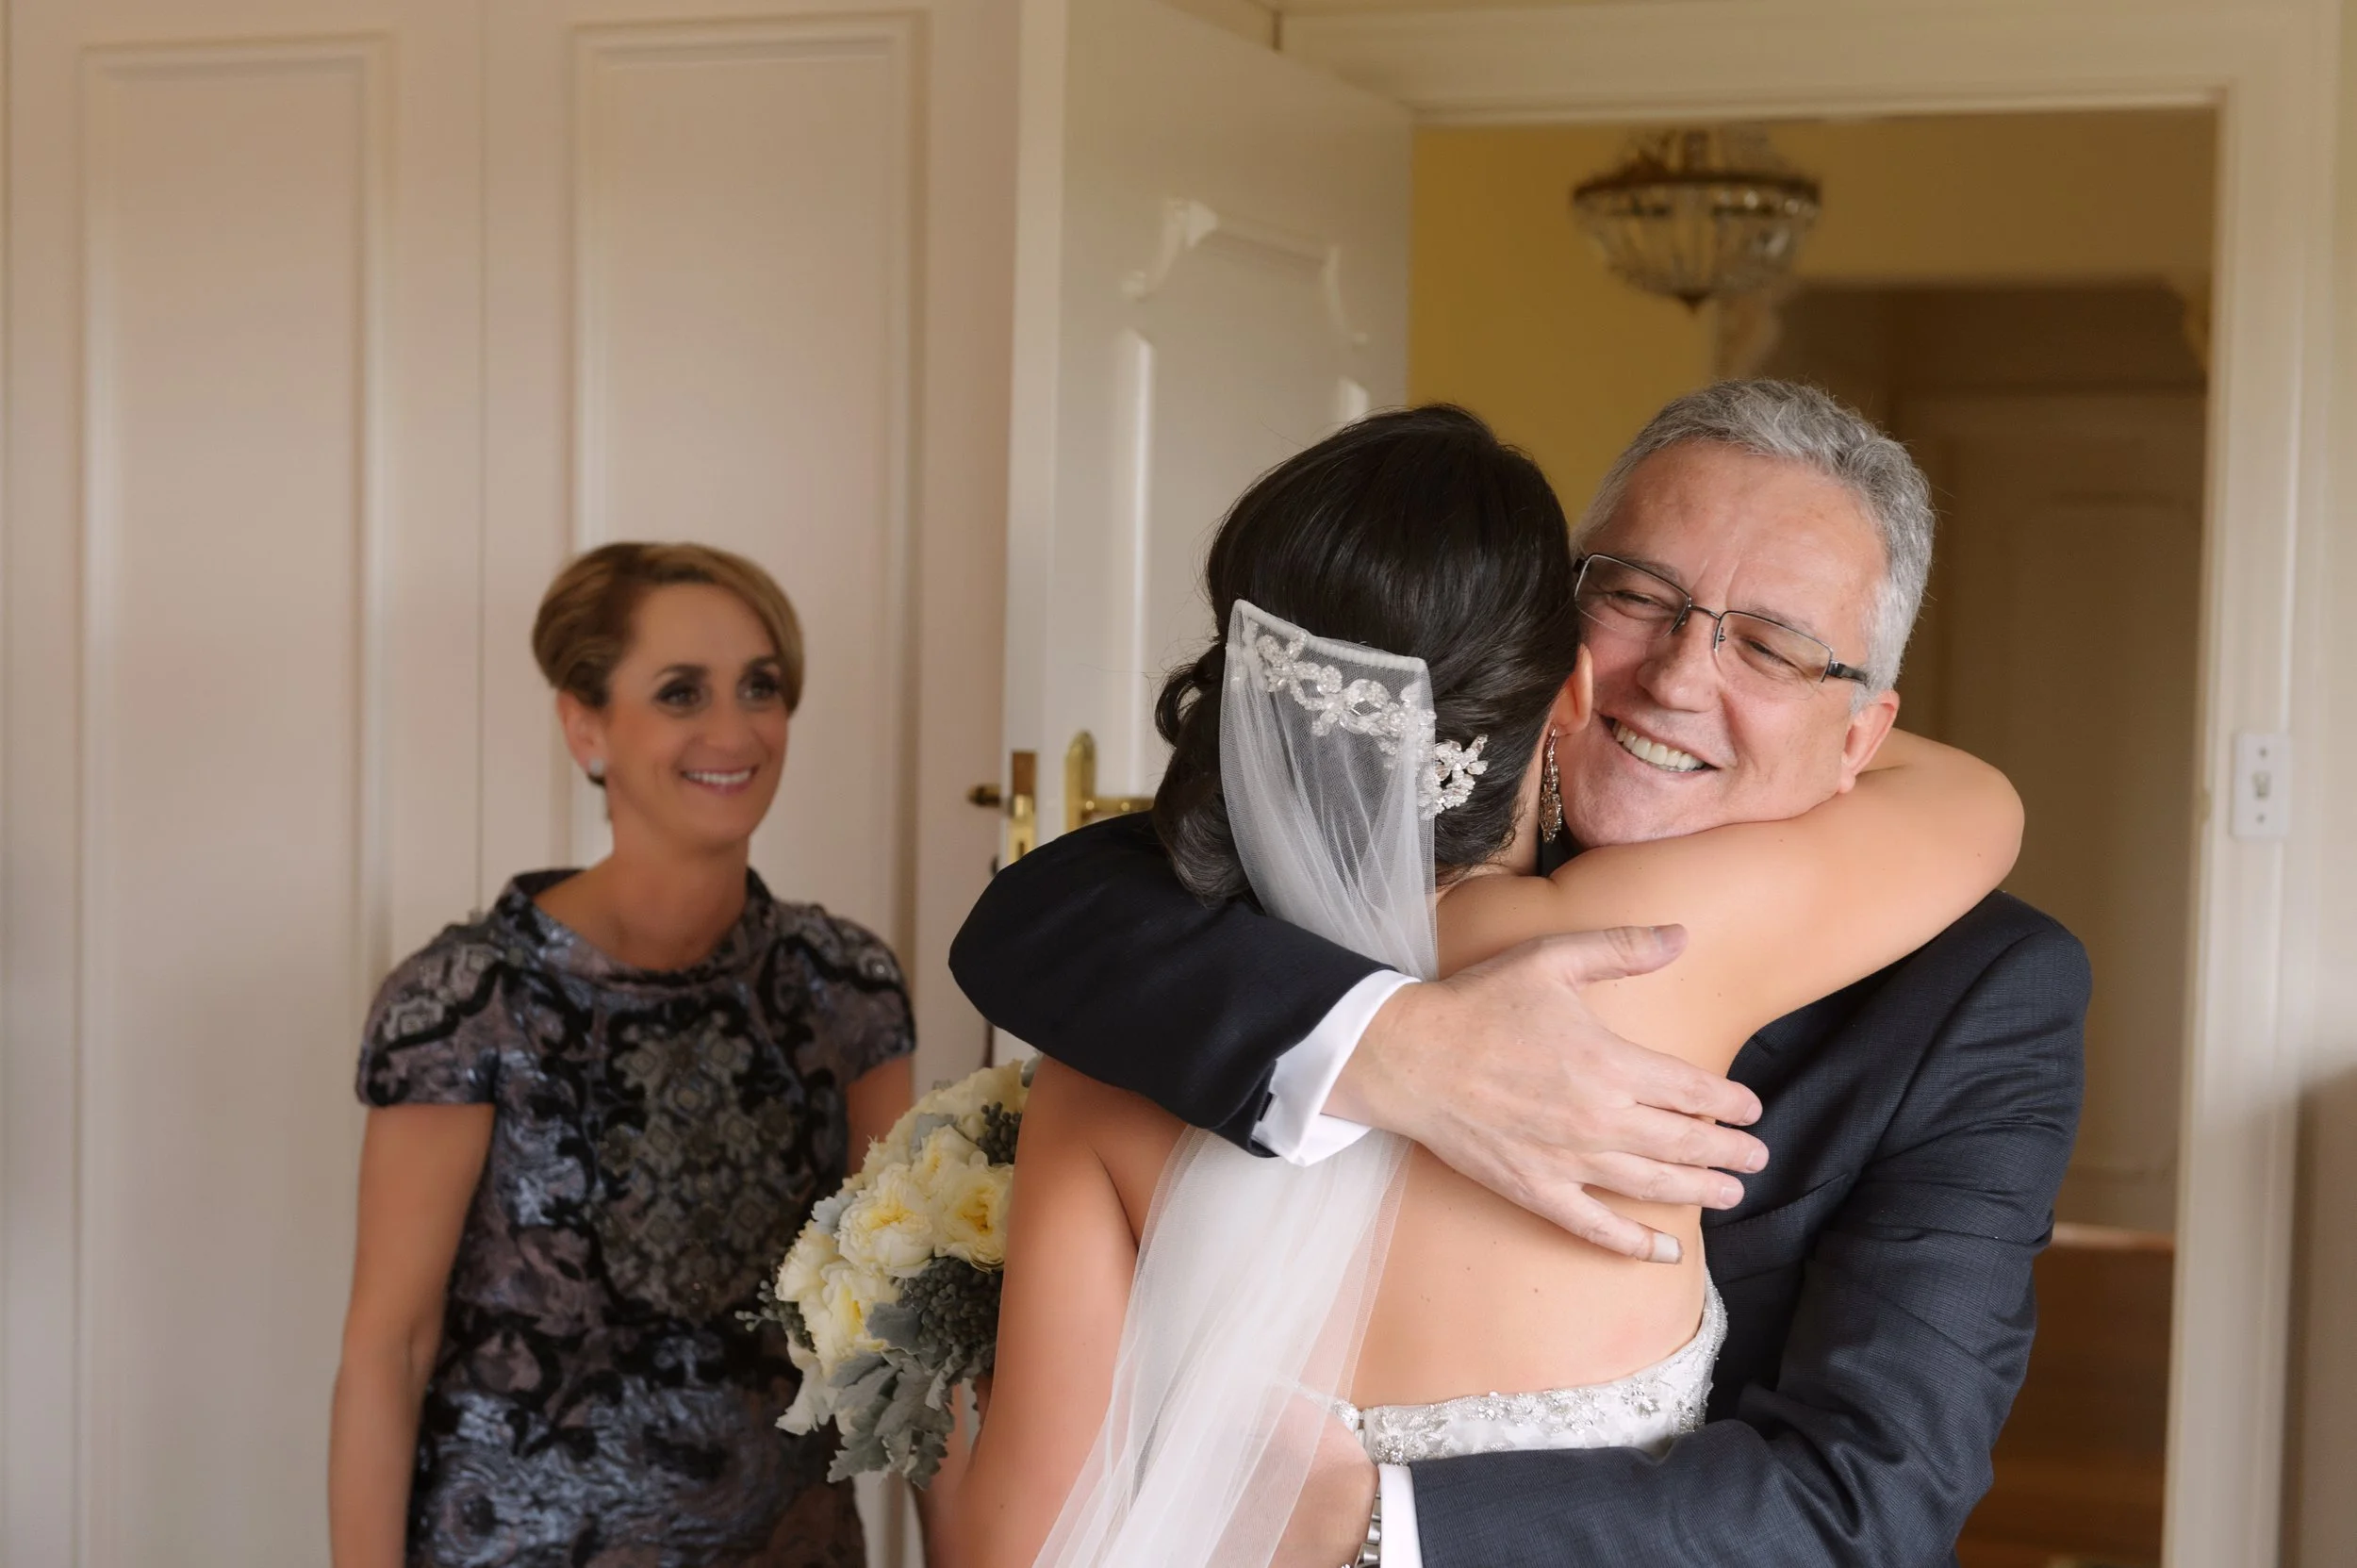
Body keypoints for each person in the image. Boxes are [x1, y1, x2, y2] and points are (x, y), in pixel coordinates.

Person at [951, 384, 2089, 1567]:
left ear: (1865, 733)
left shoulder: (1987, 989)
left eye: (1770, 644)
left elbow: (1870, 1502)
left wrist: (1375, 1527)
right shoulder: (1176, 933)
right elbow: (1033, 916)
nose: (1681, 678)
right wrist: (1388, 1044)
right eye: (1637, 597)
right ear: (1558, 641)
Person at [329, 543, 919, 1568]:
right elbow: (390, 1349)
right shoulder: (465, 999)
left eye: (761, 687)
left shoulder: (845, 984)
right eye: (681, 693)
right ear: (584, 725)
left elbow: (905, 1323)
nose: (734, 730)